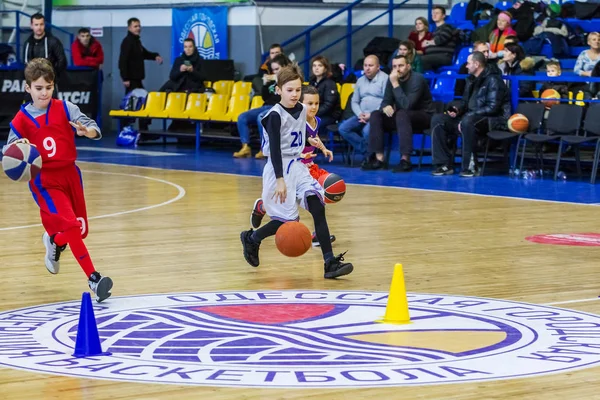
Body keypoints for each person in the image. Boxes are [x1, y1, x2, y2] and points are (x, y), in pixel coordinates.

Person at [2, 59, 113, 302]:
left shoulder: (65, 108)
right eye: (39, 88)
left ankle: (54, 241)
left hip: (71, 175)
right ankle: (94, 278)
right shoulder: (21, 120)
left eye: (48, 87)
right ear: (28, 88)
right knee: (73, 226)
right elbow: (8, 150)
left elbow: (93, 128)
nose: (44, 93)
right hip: (45, 181)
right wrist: (17, 146)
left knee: (79, 231)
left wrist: (87, 131)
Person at [240, 65, 353, 279]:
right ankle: (252, 238)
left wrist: (313, 142)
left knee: (317, 206)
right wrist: (281, 180)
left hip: (298, 165)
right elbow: (274, 148)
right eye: (290, 90)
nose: (295, 94)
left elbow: (299, 133)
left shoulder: (301, 109)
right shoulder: (274, 116)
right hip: (277, 168)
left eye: (298, 90)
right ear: (279, 90)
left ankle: (329, 263)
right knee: (287, 221)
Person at [249, 85, 337, 247]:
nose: (313, 107)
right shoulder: (293, 120)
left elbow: (314, 136)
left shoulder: (316, 121)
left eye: (316, 104)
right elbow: (286, 144)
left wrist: (323, 148)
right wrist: (301, 154)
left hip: (305, 167)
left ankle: (320, 238)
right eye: (309, 104)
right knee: (288, 212)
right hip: (291, 165)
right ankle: (262, 207)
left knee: (318, 201)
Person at [430, 51, 510, 177]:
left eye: (468, 63)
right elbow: (465, 102)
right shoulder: (471, 80)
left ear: (477, 64)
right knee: (438, 119)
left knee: (468, 122)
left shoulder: (494, 80)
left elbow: (493, 108)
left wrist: (469, 115)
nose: (466, 66)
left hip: (494, 120)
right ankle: (443, 164)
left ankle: (471, 166)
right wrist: (457, 110)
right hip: (471, 116)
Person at [362, 55, 435, 172]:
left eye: (400, 66)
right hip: (403, 117)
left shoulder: (417, 79)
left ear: (409, 66)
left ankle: (405, 160)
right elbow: (385, 101)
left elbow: (407, 106)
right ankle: (379, 159)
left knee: (402, 113)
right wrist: (385, 108)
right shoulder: (391, 80)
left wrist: (395, 83)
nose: (397, 69)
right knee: (376, 114)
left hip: (424, 116)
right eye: (394, 66)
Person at [234, 54, 292, 158]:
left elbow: (287, 99)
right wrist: (265, 84)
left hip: (280, 108)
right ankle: (245, 147)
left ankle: (265, 149)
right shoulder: (272, 81)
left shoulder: (291, 80)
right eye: (273, 70)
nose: (274, 72)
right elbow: (265, 98)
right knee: (242, 117)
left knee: (261, 117)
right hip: (267, 106)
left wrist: (279, 80)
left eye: (277, 69)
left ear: (285, 67)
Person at [118, 17, 163, 136]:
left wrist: (155, 56)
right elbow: (122, 61)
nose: (138, 28)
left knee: (142, 103)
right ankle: (126, 130)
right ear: (129, 28)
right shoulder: (127, 42)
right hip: (131, 80)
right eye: (135, 26)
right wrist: (125, 78)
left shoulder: (136, 42)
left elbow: (144, 54)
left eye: (139, 26)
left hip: (137, 79)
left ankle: (143, 131)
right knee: (131, 105)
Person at [338, 55, 387, 160]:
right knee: (343, 128)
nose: (367, 68)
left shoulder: (385, 79)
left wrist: (372, 115)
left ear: (378, 67)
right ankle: (368, 152)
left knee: (366, 132)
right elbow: (354, 101)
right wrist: (360, 114)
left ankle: (370, 156)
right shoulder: (360, 80)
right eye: (365, 65)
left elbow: (386, 101)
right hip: (361, 115)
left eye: (370, 65)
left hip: (378, 115)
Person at [23, 13, 67, 98]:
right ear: (31, 26)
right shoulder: (27, 43)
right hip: (33, 84)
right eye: (36, 24)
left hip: (49, 83)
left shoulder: (53, 41)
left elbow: (62, 60)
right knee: (32, 109)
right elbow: (26, 63)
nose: (39, 27)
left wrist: (52, 76)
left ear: (44, 25)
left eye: (41, 24)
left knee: (52, 109)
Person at [308, 55, 341, 136]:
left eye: (320, 65)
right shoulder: (311, 82)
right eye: (314, 66)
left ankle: (313, 148)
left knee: (309, 125)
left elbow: (328, 105)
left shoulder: (330, 83)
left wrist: (313, 113)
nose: (316, 68)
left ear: (325, 68)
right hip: (315, 113)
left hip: (329, 116)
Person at [420, 6, 457, 71]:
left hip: (444, 56)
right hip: (432, 56)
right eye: (433, 13)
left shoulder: (448, 27)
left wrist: (427, 42)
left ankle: (425, 79)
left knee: (420, 60)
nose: (434, 15)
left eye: (437, 13)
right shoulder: (434, 30)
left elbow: (439, 40)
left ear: (443, 16)